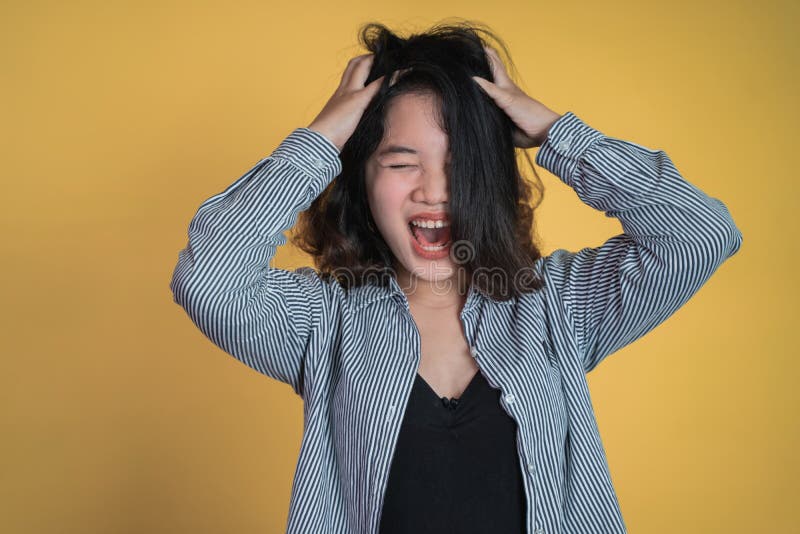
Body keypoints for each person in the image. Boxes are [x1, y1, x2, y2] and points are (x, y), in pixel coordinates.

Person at [169, 20, 743, 534]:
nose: (434, 190)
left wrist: (557, 134)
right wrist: (320, 140)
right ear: (361, 180)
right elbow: (207, 276)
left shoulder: (559, 307)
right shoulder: (324, 321)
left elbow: (699, 234)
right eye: (401, 162)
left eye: (460, 165)